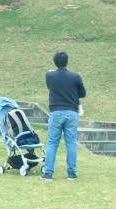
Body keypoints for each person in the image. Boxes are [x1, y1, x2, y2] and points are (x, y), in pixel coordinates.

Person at [41, 51, 86, 181]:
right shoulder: (76, 76)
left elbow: (49, 85)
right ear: (67, 61)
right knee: (71, 143)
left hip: (56, 112)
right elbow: (82, 93)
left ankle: (48, 173)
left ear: (55, 62)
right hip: (71, 113)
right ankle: (71, 173)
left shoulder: (50, 75)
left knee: (52, 143)